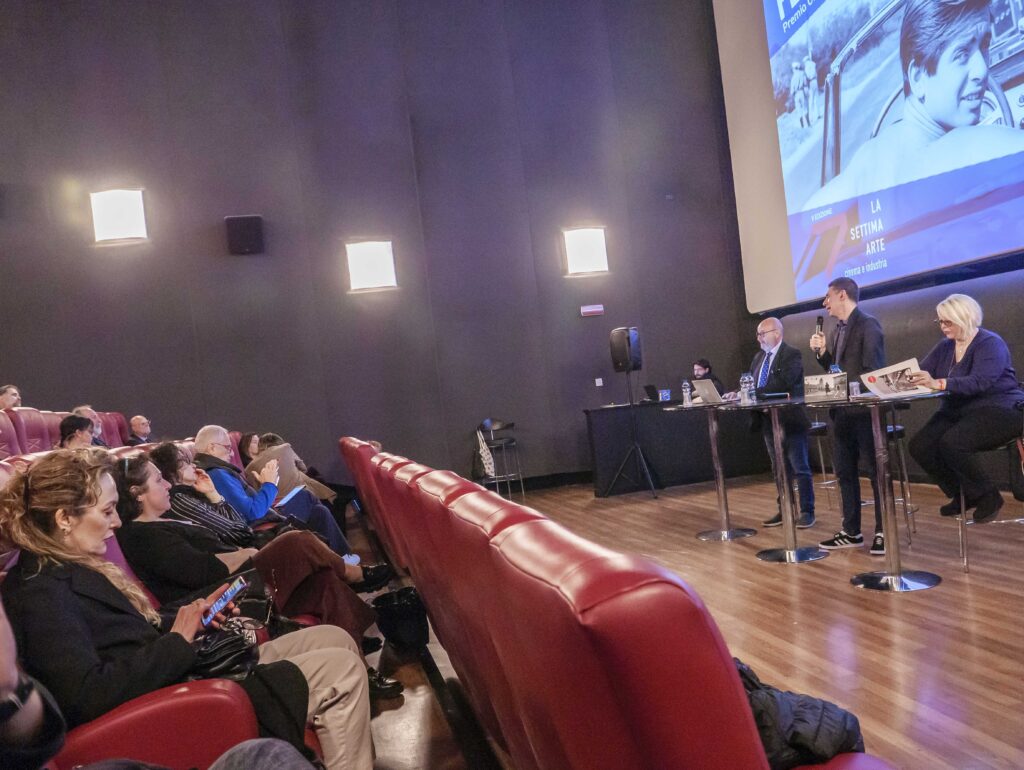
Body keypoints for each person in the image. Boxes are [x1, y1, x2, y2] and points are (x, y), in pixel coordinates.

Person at [0, 449, 374, 770]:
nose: (117, 522)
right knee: (340, 669)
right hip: (173, 703)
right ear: (65, 518)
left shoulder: (66, 567)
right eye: (108, 510)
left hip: (183, 672)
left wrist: (193, 615)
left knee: (335, 638)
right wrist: (178, 639)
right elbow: (86, 695)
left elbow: (129, 634)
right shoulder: (39, 593)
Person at [113, 451, 398, 696]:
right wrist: (246, 553)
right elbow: (204, 571)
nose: (167, 484)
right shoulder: (142, 535)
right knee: (295, 541)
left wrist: (215, 499)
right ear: (137, 493)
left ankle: (361, 668)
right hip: (228, 598)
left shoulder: (166, 518)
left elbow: (235, 530)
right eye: (158, 480)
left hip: (243, 579)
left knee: (321, 581)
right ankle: (355, 575)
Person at [806, 0, 1024, 209]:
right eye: (962, 54)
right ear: (918, 78)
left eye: (984, 45)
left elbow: (810, 214)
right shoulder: (972, 148)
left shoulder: (863, 165)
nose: (982, 70)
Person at [907, 294, 1024, 522]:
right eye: (940, 321)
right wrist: (903, 379)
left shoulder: (990, 343)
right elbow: (923, 370)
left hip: (1000, 406)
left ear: (965, 318)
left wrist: (940, 383)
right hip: (958, 409)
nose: (943, 327)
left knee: (952, 443)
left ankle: (989, 496)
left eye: (948, 321)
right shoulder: (945, 346)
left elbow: (980, 381)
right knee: (920, 446)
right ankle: (963, 494)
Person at [809, 278, 887, 554]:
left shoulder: (868, 324)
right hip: (842, 413)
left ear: (842, 295)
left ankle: (883, 530)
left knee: (876, 473)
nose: (824, 303)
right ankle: (851, 531)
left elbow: (872, 371)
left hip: (865, 413)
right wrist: (823, 355)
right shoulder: (837, 330)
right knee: (844, 472)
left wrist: (845, 388)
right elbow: (836, 372)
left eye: (828, 297)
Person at [193, 425, 356, 557]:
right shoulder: (217, 474)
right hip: (260, 527)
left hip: (266, 515)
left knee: (319, 512)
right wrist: (269, 484)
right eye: (227, 447)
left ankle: (340, 562)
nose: (231, 452)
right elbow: (253, 512)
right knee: (307, 498)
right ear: (212, 448)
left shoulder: (216, 471)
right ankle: (343, 562)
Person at [745, 318, 815, 529]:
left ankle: (807, 511)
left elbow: (783, 383)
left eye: (762, 334)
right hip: (768, 421)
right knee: (778, 468)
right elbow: (751, 383)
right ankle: (785, 508)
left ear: (776, 333)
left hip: (790, 419)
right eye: (758, 334)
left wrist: (753, 393)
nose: (759, 338)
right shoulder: (758, 358)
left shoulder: (791, 354)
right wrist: (740, 392)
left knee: (799, 467)